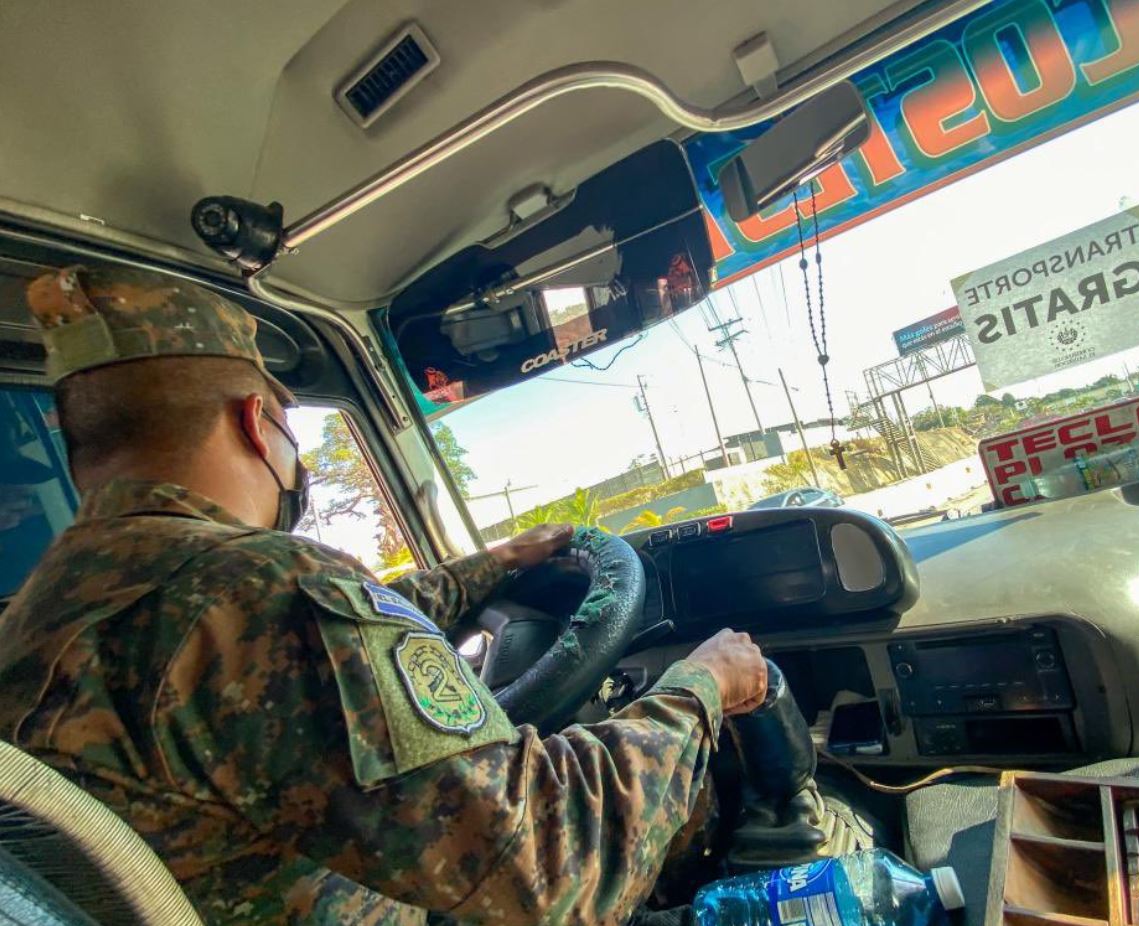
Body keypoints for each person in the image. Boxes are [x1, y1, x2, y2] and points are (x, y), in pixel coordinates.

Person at [0, 265, 768, 925]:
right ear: (256, 422)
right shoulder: (262, 589)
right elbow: (548, 861)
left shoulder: (41, 613)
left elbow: (290, 662)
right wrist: (700, 687)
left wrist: (488, 566)